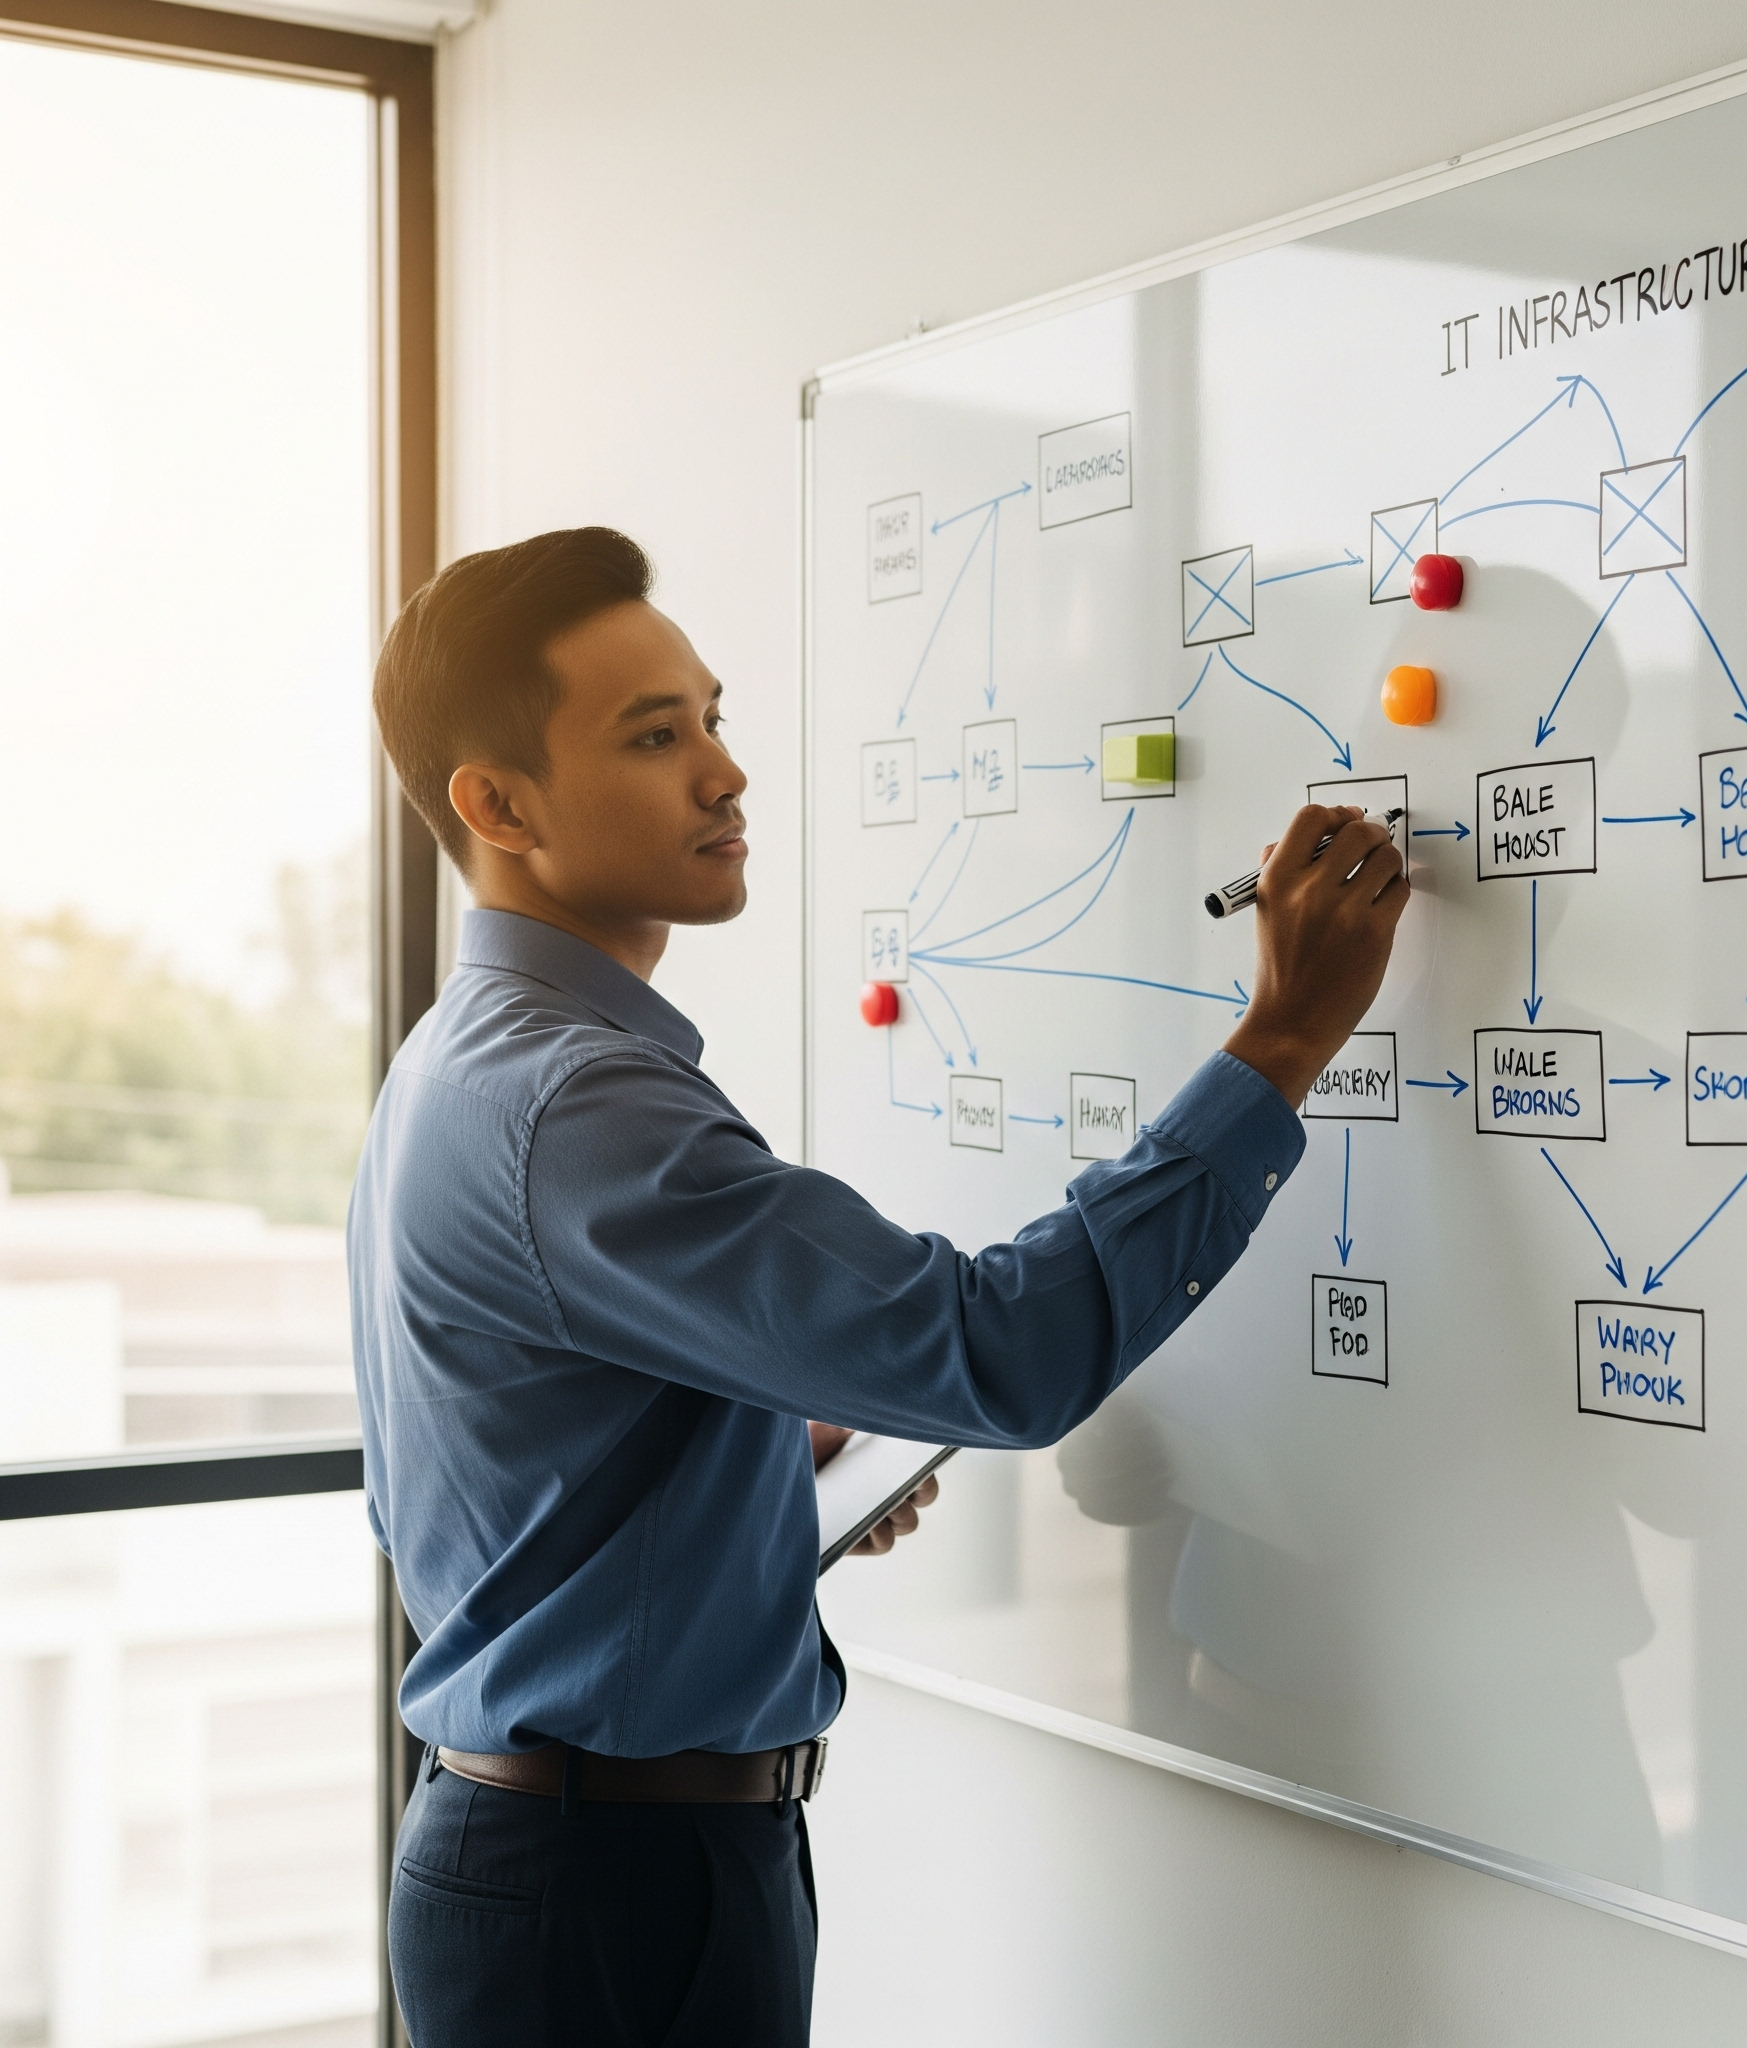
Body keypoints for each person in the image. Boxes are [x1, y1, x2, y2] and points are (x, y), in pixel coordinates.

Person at [350, 526, 1409, 2046]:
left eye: (711, 717)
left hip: (600, 1858)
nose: (724, 772)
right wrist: (1283, 1043)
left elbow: (487, 1492)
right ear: (496, 803)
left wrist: (773, 1482)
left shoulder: (471, 1065)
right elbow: (1003, 1353)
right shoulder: (575, 1105)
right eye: (656, 737)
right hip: (610, 1888)